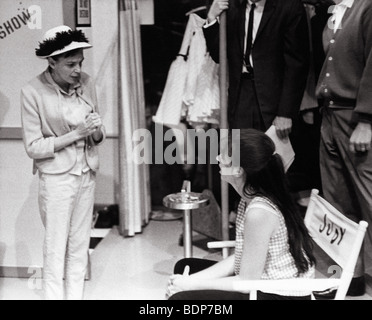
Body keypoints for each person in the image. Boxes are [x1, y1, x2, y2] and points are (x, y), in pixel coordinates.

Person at [166, 129, 316, 300]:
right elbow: (242, 256)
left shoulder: (259, 213)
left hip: (279, 294)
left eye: (223, 156)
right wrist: (190, 280)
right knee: (185, 267)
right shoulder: (251, 194)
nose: (217, 159)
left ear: (238, 170)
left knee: (181, 299)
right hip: (259, 281)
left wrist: (191, 285)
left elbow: (246, 281)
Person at [21, 25, 105, 300]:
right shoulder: (32, 92)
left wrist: (94, 130)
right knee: (56, 248)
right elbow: (34, 147)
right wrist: (74, 135)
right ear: (52, 62)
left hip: (86, 172)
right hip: (57, 177)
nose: (77, 70)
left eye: (80, 63)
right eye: (70, 64)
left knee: (80, 245)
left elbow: (98, 134)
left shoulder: (88, 83)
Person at [315, 0, 372, 297]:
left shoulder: (366, 7)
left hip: (355, 117)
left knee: (368, 200)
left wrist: (367, 118)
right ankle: (350, 277)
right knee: (337, 201)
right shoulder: (337, 11)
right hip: (331, 114)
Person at [203, 0, 309, 139]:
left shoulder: (289, 6)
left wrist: (286, 112)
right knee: (239, 153)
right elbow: (219, 55)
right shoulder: (233, 6)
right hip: (241, 94)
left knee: (272, 156)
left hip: (275, 98)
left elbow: (297, 65)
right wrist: (211, 18)